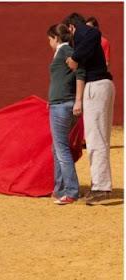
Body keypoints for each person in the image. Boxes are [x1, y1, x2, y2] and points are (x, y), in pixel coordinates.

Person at [63, 12, 115, 204]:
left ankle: (101, 187)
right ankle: (101, 184)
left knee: (95, 139)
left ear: (71, 27)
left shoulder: (85, 33)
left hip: (96, 87)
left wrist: (75, 57)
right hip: (103, 86)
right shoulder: (86, 37)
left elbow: (94, 33)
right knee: (100, 138)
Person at [47, 24, 85, 204]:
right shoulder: (64, 52)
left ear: (56, 37)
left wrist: (78, 100)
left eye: (49, 39)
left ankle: (71, 190)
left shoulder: (65, 51)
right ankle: (60, 188)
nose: (49, 43)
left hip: (63, 105)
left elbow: (81, 71)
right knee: (58, 147)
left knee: (61, 149)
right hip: (60, 103)